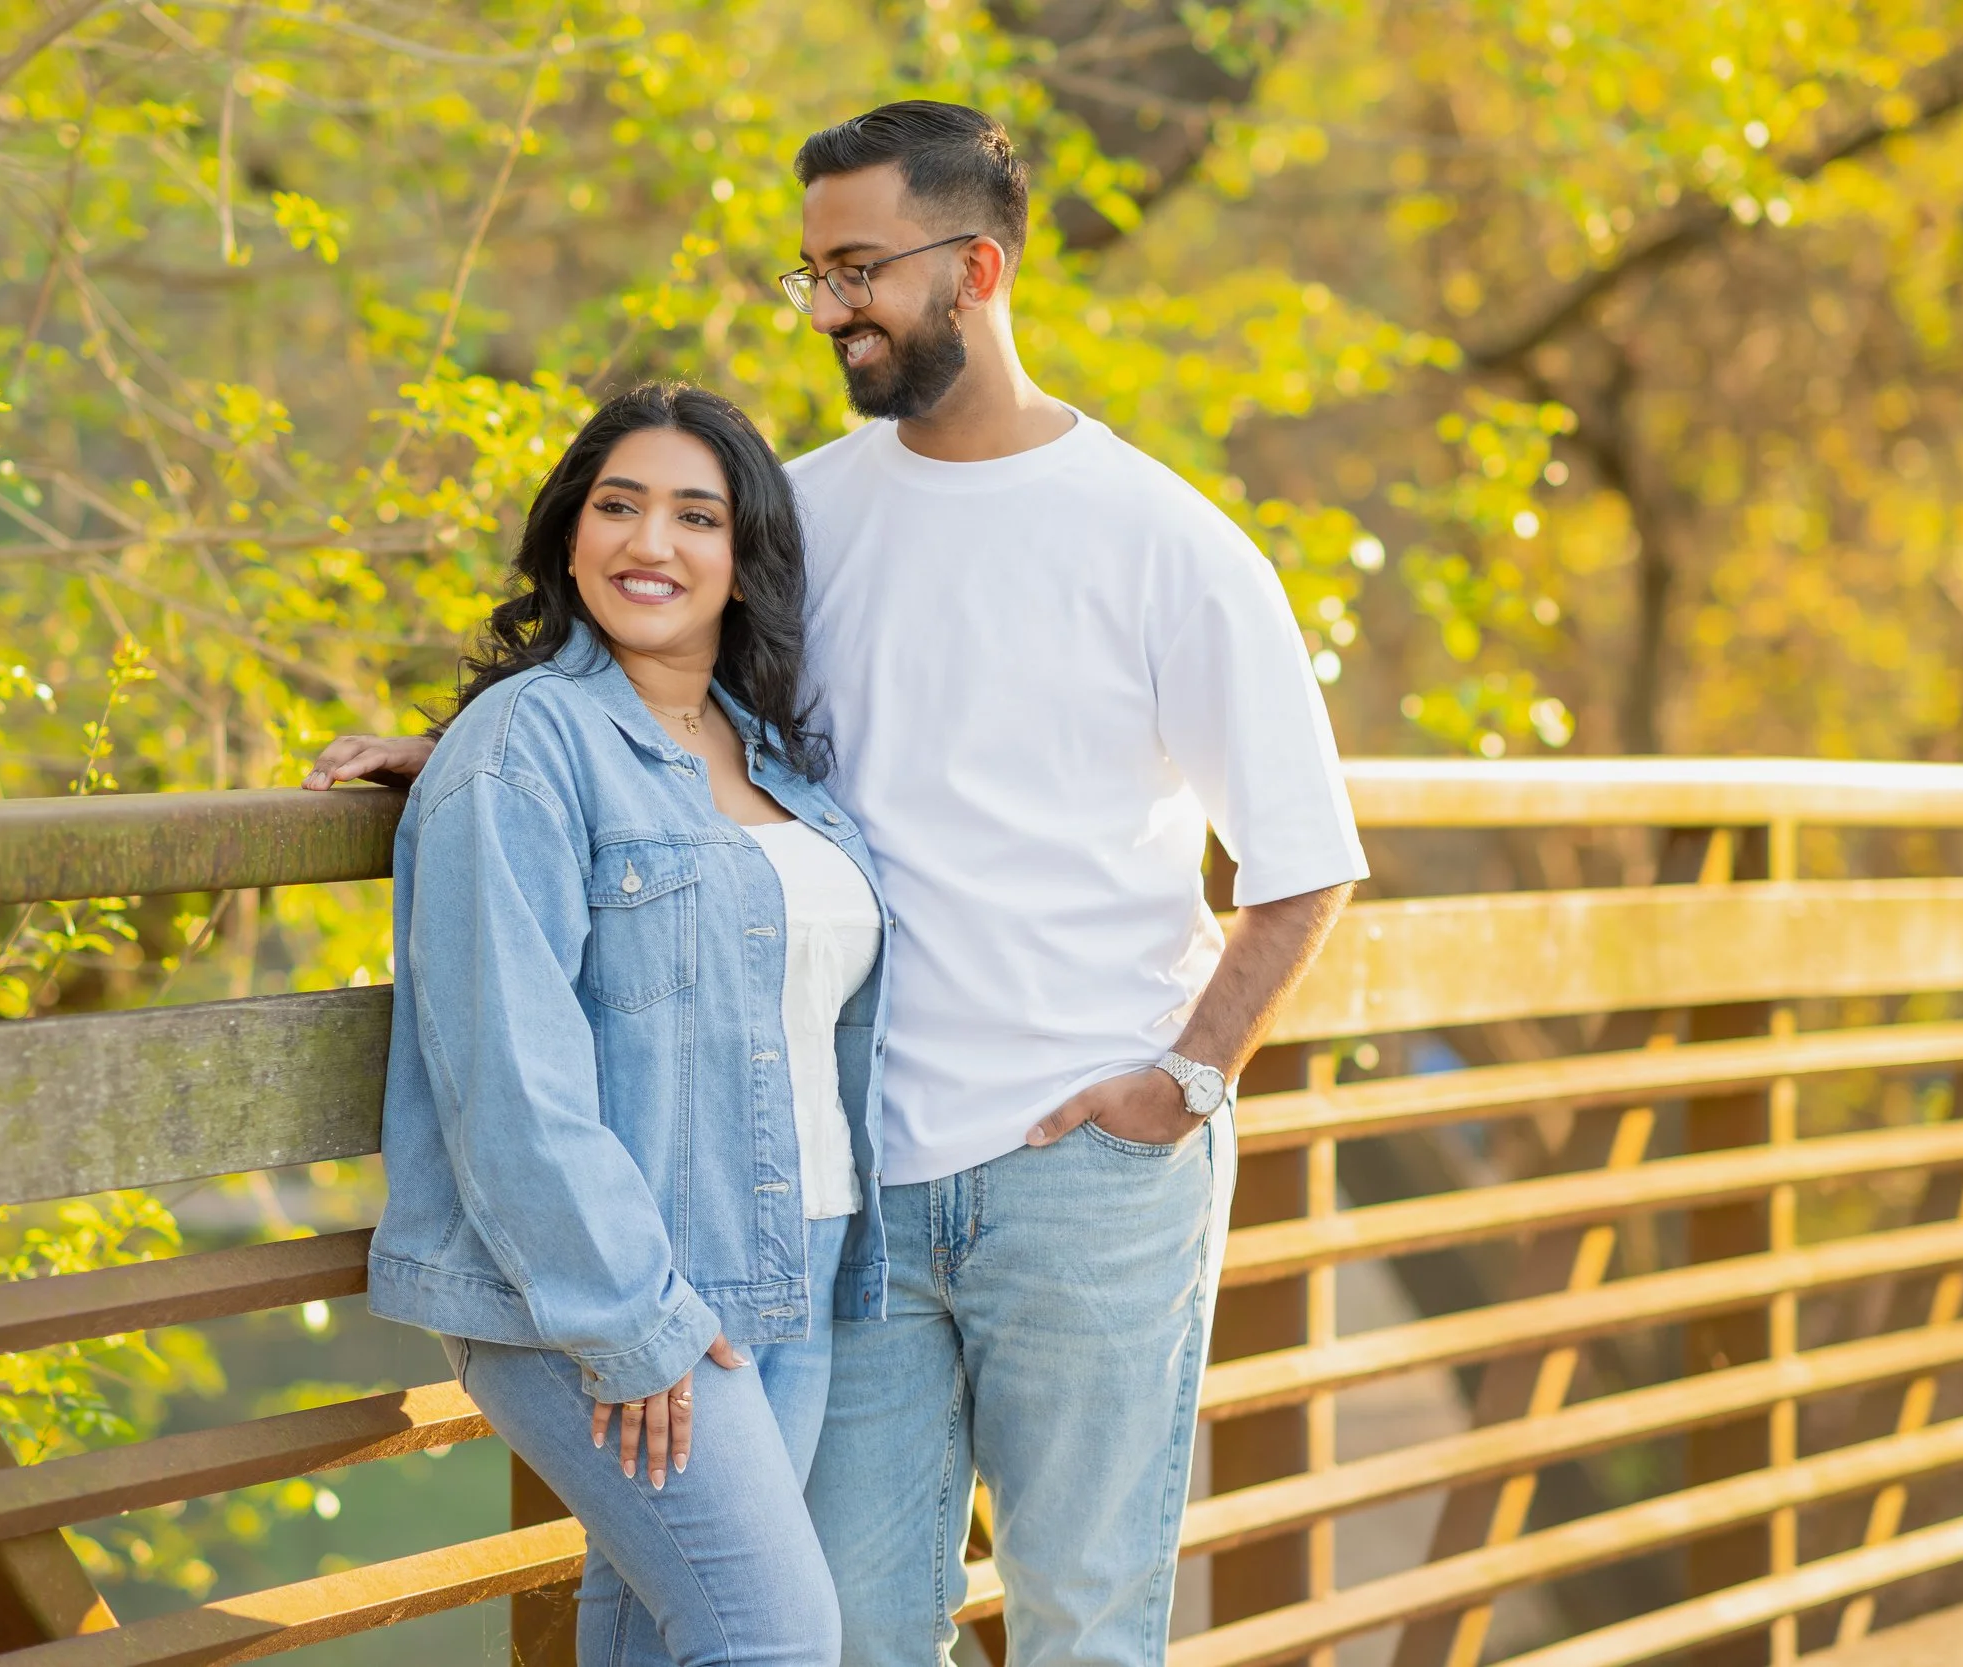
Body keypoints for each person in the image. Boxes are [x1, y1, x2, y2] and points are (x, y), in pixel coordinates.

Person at [310, 102, 1366, 1667]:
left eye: (860, 269)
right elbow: (659, 675)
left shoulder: (1170, 542)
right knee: (851, 1633)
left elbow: (1306, 861)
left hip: (1086, 1167)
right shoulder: (796, 512)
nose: (829, 309)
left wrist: (1186, 1079)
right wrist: (476, 742)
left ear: (978, 268)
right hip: (843, 1189)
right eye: (813, 273)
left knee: (1082, 1622)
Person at [364, 381, 890, 1666]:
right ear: (568, 534)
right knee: (775, 1638)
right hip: (606, 1278)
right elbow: (508, 1073)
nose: (651, 543)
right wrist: (628, 1319)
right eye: (618, 505)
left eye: (696, 516)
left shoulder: (771, 750)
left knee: (664, 1636)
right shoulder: (520, 746)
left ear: (745, 558)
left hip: (791, 1254)